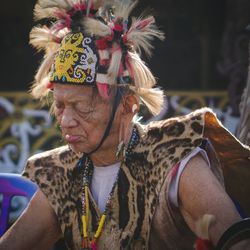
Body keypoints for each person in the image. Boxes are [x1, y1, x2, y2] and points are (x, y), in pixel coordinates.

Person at [1, 0, 250, 249]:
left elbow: (236, 239)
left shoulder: (175, 160)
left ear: (127, 106)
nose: (65, 121)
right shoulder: (61, 171)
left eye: (81, 107)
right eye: (60, 105)